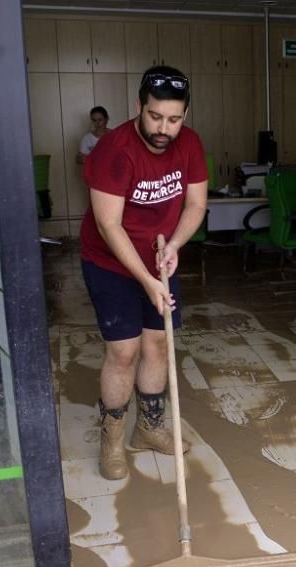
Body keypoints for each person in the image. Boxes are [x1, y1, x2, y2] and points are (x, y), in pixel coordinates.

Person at [80, 66, 208, 480]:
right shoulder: (113, 149)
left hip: (158, 260)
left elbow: (195, 205)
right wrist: (147, 281)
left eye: (173, 120)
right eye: (155, 117)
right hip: (110, 262)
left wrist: (173, 246)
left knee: (158, 344)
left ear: (185, 115)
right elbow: (108, 225)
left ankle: (148, 429)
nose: (163, 129)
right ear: (139, 106)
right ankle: (112, 439)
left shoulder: (189, 144)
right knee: (125, 350)